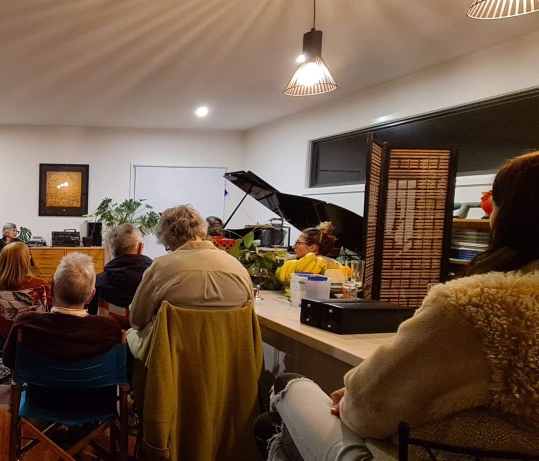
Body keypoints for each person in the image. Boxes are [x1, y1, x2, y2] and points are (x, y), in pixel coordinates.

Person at [261, 151, 539, 459]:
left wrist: (354, 398)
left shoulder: (474, 306)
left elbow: (368, 410)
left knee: (283, 393)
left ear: (506, 214)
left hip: (433, 454)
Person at [126, 205, 252, 360]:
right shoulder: (237, 267)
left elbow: (137, 320)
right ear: (202, 231)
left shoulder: (160, 267)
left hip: (173, 362)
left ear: (168, 240)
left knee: (132, 333)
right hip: (227, 359)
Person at [3, 252, 122, 370]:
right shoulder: (110, 328)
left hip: (39, 382)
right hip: (92, 383)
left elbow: (9, 361)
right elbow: (119, 368)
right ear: (91, 296)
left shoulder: (25, 323)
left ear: (51, 289)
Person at [86, 224, 152, 324]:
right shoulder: (156, 280)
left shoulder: (97, 283)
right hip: (146, 333)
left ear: (113, 252)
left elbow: (93, 316)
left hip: (109, 332)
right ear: (139, 248)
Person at [0, 241, 52, 337]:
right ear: (25, 260)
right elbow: (51, 310)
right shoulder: (40, 285)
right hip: (35, 336)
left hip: (8, 335)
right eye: (29, 255)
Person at [274, 221, 344, 283]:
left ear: (313, 248)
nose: (293, 247)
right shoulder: (337, 264)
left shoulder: (307, 268)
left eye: (298, 243)